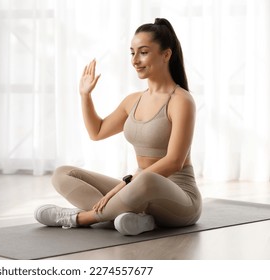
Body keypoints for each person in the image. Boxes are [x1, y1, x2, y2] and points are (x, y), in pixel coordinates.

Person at [34, 18, 202, 235]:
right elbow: (97, 132)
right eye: (132, 53)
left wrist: (122, 186)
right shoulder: (133, 100)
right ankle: (135, 218)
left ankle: (80, 218)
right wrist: (85, 96)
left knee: (147, 179)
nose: (135, 60)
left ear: (166, 55)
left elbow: (174, 162)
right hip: (136, 189)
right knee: (63, 173)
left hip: (180, 200)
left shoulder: (181, 101)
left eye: (143, 52)